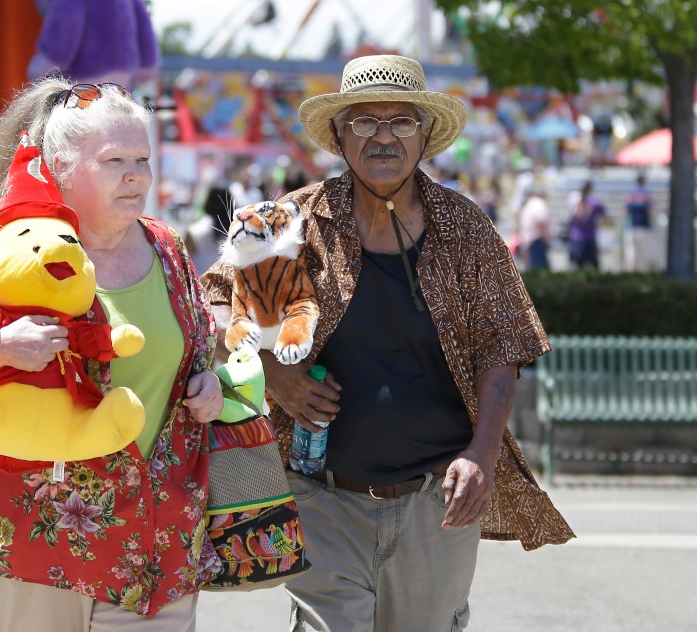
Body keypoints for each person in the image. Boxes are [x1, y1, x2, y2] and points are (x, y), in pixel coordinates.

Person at [202, 55, 574, 631]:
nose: (383, 136)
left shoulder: (464, 227)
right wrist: (274, 372)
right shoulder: (290, 221)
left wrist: (482, 453)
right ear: (339, 136)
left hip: (436, 503)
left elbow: (504, 346)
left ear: (424, 136)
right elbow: (212, 302)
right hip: (321, 494)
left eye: (401, 121)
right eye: (365, 122)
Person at [0, 78, 223, 631]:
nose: (136, 175)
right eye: (113, 160)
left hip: (156, 537)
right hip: (39, 534)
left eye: (142, 158)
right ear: (58, 167)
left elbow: (199, 355)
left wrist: (208, 383)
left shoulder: (167, 247)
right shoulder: (15, 251)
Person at [566, 180, 606, 270]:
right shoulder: (576, 201)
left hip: (584, 238)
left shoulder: (594, 202)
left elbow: (603, 218)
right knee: (579, 265)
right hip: (580, 238)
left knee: (584, 265)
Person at [624, 173, 656, 271]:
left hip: (632, 227)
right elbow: (651, 212)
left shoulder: (630, 195)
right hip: (644, 228)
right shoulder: (647, 195)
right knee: (644, 254)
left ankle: (632, 274)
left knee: (631, 254)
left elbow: (625, 212)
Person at [517, 188, 552, 270]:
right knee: (540, 270)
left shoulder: (528, 204)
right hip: (536, 240)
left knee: (531, 268)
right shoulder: (539, 204)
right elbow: (542, 223)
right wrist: (547, 239)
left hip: (527, 240)